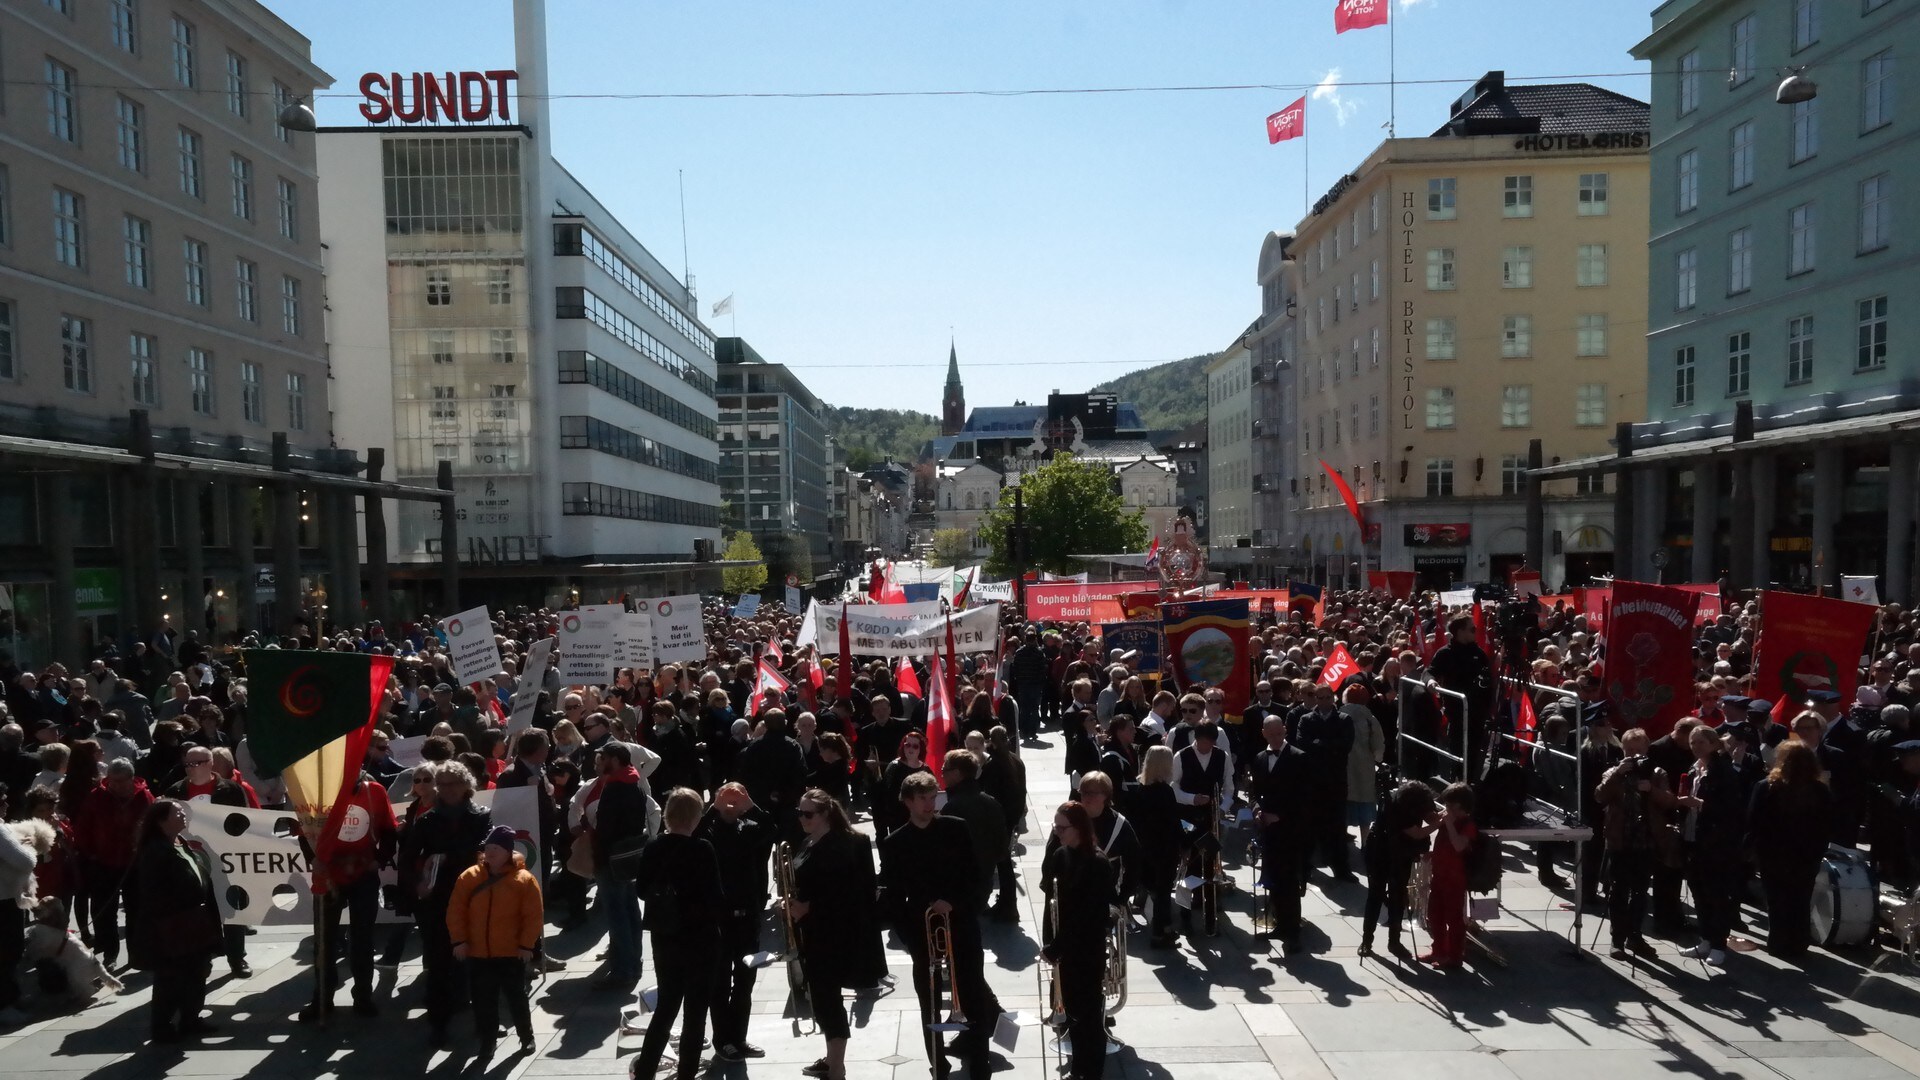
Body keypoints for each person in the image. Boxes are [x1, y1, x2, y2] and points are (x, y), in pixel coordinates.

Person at [881, 771, 1003, 1080]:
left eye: (933, 795)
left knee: (973, 992)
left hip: (961, 924)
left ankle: (979, 1060)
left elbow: (975, 875)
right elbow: (894, 896)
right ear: (907, 802)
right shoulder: (895, 843)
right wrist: (912, 934)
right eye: (922, 797)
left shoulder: (955, 829)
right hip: (924, 932)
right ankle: (939, 1061)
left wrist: (955, 903)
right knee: (930, 1000)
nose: (929, 803)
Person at [626, 788, 725, 1080]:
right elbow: (716, 897)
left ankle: (645, 1071)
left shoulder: (654, 847)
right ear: (696, 818)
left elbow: (641, 890)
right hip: (701, 938)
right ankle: (686, 1074)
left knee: (666, 1007)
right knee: (696, 1014)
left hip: (666, 936)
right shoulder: (703, 849)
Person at [788, 788, 886, 1080]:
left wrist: (808, 907)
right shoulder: (809, 841)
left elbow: (852, 894)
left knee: (827, 999)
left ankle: (836, 1066)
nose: (802, 819)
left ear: (825, 814)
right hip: (814, 930)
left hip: (835, 934)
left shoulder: (846, 844)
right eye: (800, 813)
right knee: (821, 997)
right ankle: (832, 1060)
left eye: (808, 814)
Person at [398, 761, 492, 1046]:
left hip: (473, 897)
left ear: (467, 785)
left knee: (481, 963)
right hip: (437, 901)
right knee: (438, 963)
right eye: (443, 784)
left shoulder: (481, 816)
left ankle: (485, 1025)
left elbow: (482, 850)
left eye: (453, 783)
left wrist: (446, 857)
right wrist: (417, 884)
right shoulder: (427, 820)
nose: (447, 790)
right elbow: (407, 858)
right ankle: (438, 1024)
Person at [125, 798, 221, 1044]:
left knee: (197, 972)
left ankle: (191, 1018)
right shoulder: (155, 851)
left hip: (193, 921)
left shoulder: (181, 843)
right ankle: (162, 1026)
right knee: (171, 977)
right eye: (177, 813)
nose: (182, 815)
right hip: (172, 925)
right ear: (161, 821)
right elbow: (155, 892)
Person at [447, 825, 542, 1060]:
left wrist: (526, 945)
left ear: (508, 851)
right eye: (488, 848)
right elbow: (456, 911)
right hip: (478, 953)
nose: (490, 853)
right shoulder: (469, 877)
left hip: (510, 952)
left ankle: (526, 1036)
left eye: (496, 848)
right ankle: (487, 1042)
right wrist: (459, 940)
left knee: (516, 998)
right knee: (483, 1001)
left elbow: (533, 916)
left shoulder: (524, 880)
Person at [699, 783, 777, 1062]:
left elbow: (772, 830)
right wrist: (713, 809)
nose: (732, 805)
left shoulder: (750, 828)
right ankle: (723, 1039)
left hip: (748, 917)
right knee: (719, 983)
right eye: (727, 799)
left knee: (745, 981)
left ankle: (739, 1037)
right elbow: (694, 834)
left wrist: (751, 805)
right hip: (719, 919)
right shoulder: (708, 832)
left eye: (737, 799)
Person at [165, 746, 257, 978]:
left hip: (225, 858)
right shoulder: (176, 790)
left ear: (209, 763)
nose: (190, 768)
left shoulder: (231, 790)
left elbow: (244, 822)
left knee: (232, 909)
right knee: (200, 914)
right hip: (191, 862)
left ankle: (237, 959)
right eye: (187, 764)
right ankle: (204, 959)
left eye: (195, 763)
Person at [1040, 801, 1116, 1080]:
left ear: (1079, 828)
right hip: (1066, 949)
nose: (1057, 832)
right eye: (1055, 826)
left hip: (1087, 951)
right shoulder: (1061, 855)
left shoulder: (1097, 864)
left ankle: (1091, 1072)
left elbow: (1087, 914)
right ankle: (1077, 1070)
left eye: (1062, 827)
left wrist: (1057, 946)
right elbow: (1053, 904)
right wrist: (1052, 942)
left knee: (1089, 1018)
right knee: (1072, 1015)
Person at [1747, 740, 1834, 959]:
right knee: (1801, 899)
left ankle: (1778, 943)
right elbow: (1827, 824)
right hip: (1806, 855)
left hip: (1773, 853)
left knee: (1777, 900)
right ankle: (1799, 941)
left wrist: (1750, 849)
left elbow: (1753, 821)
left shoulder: (1767, 786)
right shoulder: (1820, 790)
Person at [1595, 728, 1673, 961]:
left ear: (1647, 749)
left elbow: (1670, 801)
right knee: (1618, 890)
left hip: (1646, 838)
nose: (1634, 755)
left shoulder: (1657, 773)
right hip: (1620, 838)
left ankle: (1635, 936)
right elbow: (1599, 796)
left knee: (1640, 891)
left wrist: (1652, 790)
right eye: (1629, 750)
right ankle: (1617, 939)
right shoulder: (1614, 771)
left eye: (1639, 750)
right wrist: (1617, 774)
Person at [1675, 725, 1744, 967]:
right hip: (1693, 838)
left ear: (1714, 744)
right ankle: (1705, 939)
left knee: (1716, 894)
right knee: (1699, 891)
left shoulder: (1723, 771)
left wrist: (1699, 803)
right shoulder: (1694, 769)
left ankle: (1718, 944)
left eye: (1702, 742)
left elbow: (1731, 809)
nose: (1696, 747)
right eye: (1693, 742)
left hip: (1716, 843)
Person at [74, 758, 152, 968]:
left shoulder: (144, 797)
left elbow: (152, 827)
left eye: (121, 781)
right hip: (103, 863)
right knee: (104, 911)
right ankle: (110, 953)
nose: (116, 786)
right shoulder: (96, 797)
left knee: (136, 909)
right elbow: (83, 828)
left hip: (134, 865)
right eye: (112, 781)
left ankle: (137, 954)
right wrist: (91, 853)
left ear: (131, 779)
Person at [1247, 716, 1311, 952]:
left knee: (1289, 881)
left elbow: (1304, 797)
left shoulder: (1298, 757)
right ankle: (1280, 924)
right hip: (1268, 830)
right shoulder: (1260, 758)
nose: (1275, 738)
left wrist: (1281, 816)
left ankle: (1293, 930)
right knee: (1272, 878)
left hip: (1290, 830)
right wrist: (1257, 810)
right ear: (1264, 734)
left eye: (1279, 733)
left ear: (1284, 730)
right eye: (1270, 734)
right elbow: (1253, 792)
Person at [1359, 780, 1439, 960]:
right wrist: (1439, 824)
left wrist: (1441, 814)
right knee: (1375, 896)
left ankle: (1394, 941)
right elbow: (1417, 833)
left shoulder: (1417, 801)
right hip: (1380, 853)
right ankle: (1366, 941)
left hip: (1402, 854)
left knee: (1398, 896)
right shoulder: (1397, 809)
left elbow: (1429, 816)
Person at [939, 750, 1011, 911]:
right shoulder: (991, 802)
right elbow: (1001, 846)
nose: (942, 774)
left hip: (959, 888)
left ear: (957, 773)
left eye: (945, 770)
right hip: (984, 883)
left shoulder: (952, 807)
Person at [1129, 745, 1183, 948]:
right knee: (1162, 894)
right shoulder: (1165, 792)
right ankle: (1159, 934)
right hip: (1164, 851)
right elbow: (1173, 824)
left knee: (1156, 890)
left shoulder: (1140, 788)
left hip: (1145, 849)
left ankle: (1166, 928)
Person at [1421, 782, 1477, 968]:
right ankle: (1438, 950)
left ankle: (1454, 956)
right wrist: (1432, 854)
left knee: (1454, 918)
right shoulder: (1447, 821)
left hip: (1455, 879)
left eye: (1452, 805)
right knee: (1434, 914)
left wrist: (1451, 825)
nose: (1447, 808)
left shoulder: (1467, 824)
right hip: (1439, 875)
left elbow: (1459, 845)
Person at [875, 730, 931, 837]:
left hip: (920, 817)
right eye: (907, 745)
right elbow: (886, 794)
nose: (910, 749)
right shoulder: (894, 766)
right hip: (898, 818)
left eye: (915, 746)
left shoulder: (926, 768)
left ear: (921, 749)